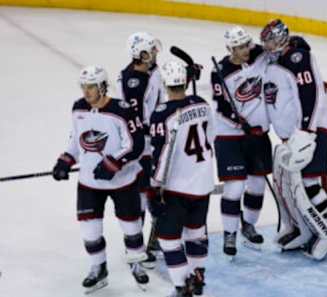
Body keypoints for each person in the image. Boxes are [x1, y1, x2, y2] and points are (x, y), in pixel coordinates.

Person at [52, 65, 149, 293]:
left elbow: (135, 144)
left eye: (91, 87)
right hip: (89, 183)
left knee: (131, 226)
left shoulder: (121, 110)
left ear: (103, 87)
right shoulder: (78, 108)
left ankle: (136, 263)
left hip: (122, 181)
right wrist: (65, 160)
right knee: (90, 231)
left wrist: (113, 163)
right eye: (84, 87)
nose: (86, 92)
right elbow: (76, 140)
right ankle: (98, 267)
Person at [260, 19, 327, 259]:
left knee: (308, 184)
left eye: (269, 40)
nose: (266, 45)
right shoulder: (278, 61)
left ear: (280, 39)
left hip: (312, 132)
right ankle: (305, 230)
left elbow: (311, 95)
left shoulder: (298, 58)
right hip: (295, 136)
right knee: (292, 185)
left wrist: (307, 131)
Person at [149, 60, 214, 297]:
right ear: (186, 81)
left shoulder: (162, 114)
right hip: (204, 182)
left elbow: (163, 154)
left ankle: (181, 286)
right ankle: (198, 278)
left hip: (177, 187)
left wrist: (155, 187)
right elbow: (211, 135)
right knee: (196, 233)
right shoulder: (203, 104)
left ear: (165, 83)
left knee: (168, 239)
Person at [211, 26, 272, 258]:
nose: (245, 50)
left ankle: (248, 225)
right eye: (239, 47)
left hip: (257, 135)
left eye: (247, 44)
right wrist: (240, 123)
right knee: (235, 187)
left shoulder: (259, 55)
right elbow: (221, 106)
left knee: (257, 185)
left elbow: (278, 49)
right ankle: (229, 234)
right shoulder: (221, 71)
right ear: (230, 49)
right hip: (229, 136)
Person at [117, 31, 166, 268]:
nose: (156, 53)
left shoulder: (149, 71)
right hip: (142, 145)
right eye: (152, 50)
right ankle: (136, 246)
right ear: (141, 54)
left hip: (152, 141)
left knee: (154, 191)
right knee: (142, 195)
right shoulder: (133, 82)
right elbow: (140, 118)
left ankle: (153, 242)